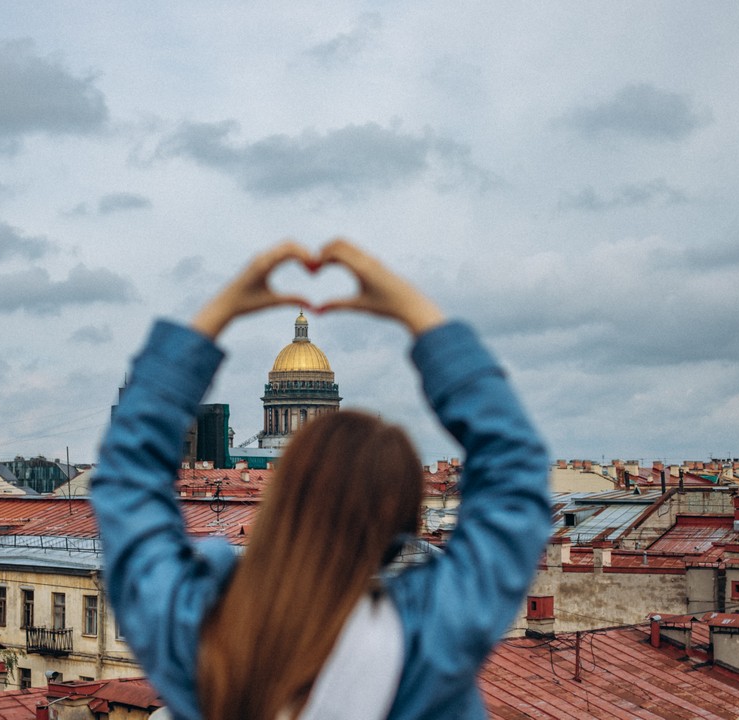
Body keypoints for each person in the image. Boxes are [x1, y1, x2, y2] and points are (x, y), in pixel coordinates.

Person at [93, 240, 550, 720]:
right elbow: (515, 470)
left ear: (279, 497)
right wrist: (419, 315)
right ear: (402, 527)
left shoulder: (202, 638)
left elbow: (126, 481)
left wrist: (216, 313)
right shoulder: (435, 639)